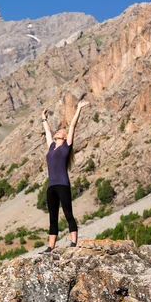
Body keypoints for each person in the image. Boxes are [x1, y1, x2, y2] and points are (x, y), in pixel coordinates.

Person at [40, 100, 89, 253]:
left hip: (63, 184)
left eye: (60, 131)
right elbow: (47, 131)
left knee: (68, 213)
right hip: (51, 186)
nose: (57, 132)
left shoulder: (67, 146)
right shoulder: (51, 146)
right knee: (52, 217)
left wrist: (79, 109)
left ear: (65, 136)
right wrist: (43, 118)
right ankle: (50, 247)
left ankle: (73, 243)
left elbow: (73, 126)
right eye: (57, 131)